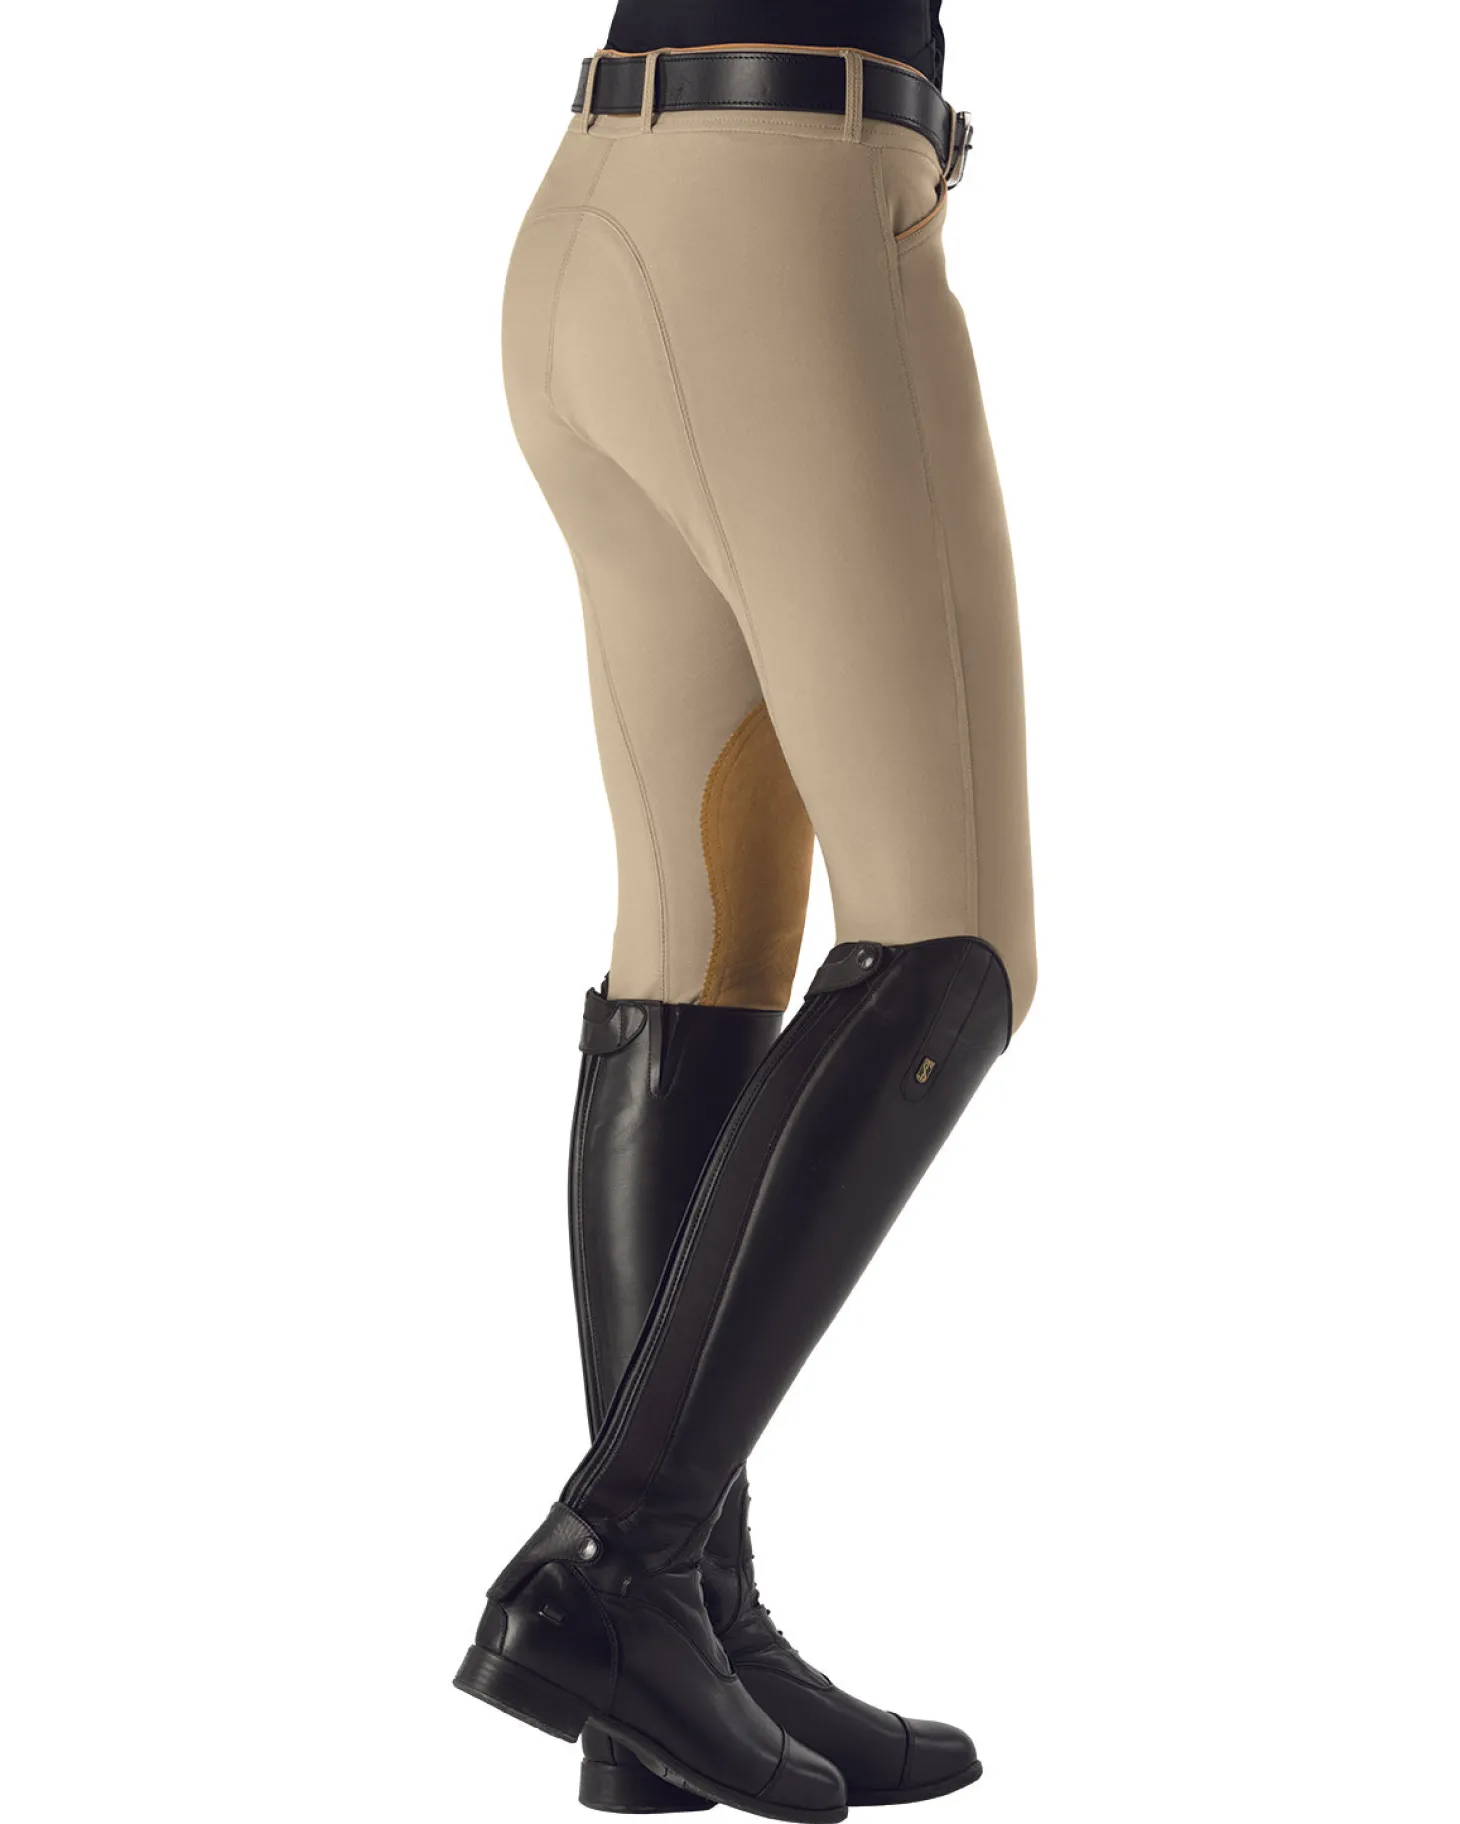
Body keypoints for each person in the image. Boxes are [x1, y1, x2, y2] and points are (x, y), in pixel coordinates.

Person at [454, 6, 1036, 1817]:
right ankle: (614, 1568)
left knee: (697, 952)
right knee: (949, 953)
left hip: (604, 217)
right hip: (777, 215)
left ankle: (682, 1647)